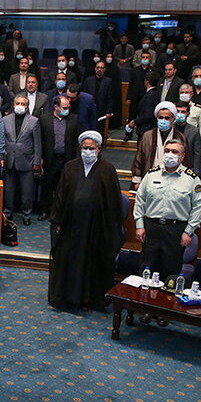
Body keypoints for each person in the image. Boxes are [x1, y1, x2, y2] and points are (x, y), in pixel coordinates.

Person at [48, 130, 124, 310]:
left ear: (99, 149)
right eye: (85, 148)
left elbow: (112, 202)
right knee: (68, 261)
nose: (87, 151)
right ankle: (67, 297)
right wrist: (57, 222)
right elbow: (60, 196)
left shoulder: (108, 170)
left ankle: (91, 299)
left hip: (96, 228)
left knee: (92, 262)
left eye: (91, 148)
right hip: (71, 226)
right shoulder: (70, 167)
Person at [133, 139, 201, 279]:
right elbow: (140, 199)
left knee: (170, 273)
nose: (170, 154)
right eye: (167, 151)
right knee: (146, 270)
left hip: (176, 230)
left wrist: (189, 232)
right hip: (152, 228)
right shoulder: (152, 174)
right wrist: (139, 225)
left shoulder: (191, 178)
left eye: (174, 152)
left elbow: (199, 207)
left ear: (182, 156)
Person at [131, 101, 191, 187]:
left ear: (173, 119)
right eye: (160, 117)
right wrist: (137, 180)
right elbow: (139, 158)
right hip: (149, 178)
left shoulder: (180, 138)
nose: (163, 120)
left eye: (167, 118)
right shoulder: (147, 136)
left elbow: (186, 162)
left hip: (173, 180)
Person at [37, 95, 78, 221]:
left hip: (67, 159)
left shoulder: (74, 119)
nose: (68, 110)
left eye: (69, 107)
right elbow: (40, 141)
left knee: (64, 187)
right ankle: (45, 210)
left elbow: (76, 141)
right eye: (65, 107)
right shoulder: (44, 119)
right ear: (56, 107)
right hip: (50, 159)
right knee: (47, 186)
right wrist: (40, 158)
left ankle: (61, 212)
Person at [2, 95, 41, 224]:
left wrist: (36, 161)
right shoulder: (5, 119)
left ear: (27, 106)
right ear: (13, 105)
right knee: (8, 190)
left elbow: (37, 143)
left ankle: (26, 214)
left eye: (23, 104)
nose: (20, 105)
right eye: (17, 103)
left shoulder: (34, 121)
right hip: (9, 160)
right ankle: (8, 212)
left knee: (27, 191)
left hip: (26, 161)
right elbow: (2, 140)